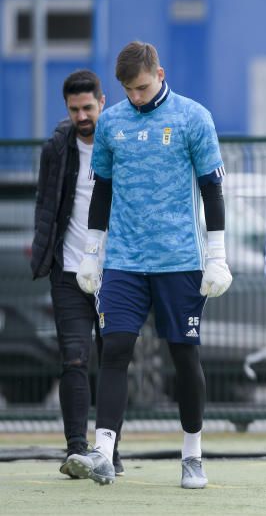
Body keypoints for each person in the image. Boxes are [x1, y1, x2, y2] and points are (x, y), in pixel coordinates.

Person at [64, 42, 232, 488]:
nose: (135, 97)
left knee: (183, 355)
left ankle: (192, 455)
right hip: (124, 260)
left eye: (141, 87)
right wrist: (92, 251)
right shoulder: (112, 122)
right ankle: (102, 451)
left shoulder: (193, 117)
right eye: (127, 90)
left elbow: (213, 191)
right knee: (115, 348)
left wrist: (216, 256)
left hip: (179, 259)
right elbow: (102, 190)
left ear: (159, 72)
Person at [31, 70, 125, 476]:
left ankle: (109, 450)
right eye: (74, 109)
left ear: (102, 103)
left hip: (117, 272)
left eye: (88, 107)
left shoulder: (121, 143)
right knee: (73, 359)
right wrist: (43, 252)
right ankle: (75, 450)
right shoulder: (57, 147)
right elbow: (47, 203)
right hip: (69, 271)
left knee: (113, 360)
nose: (82, 116)